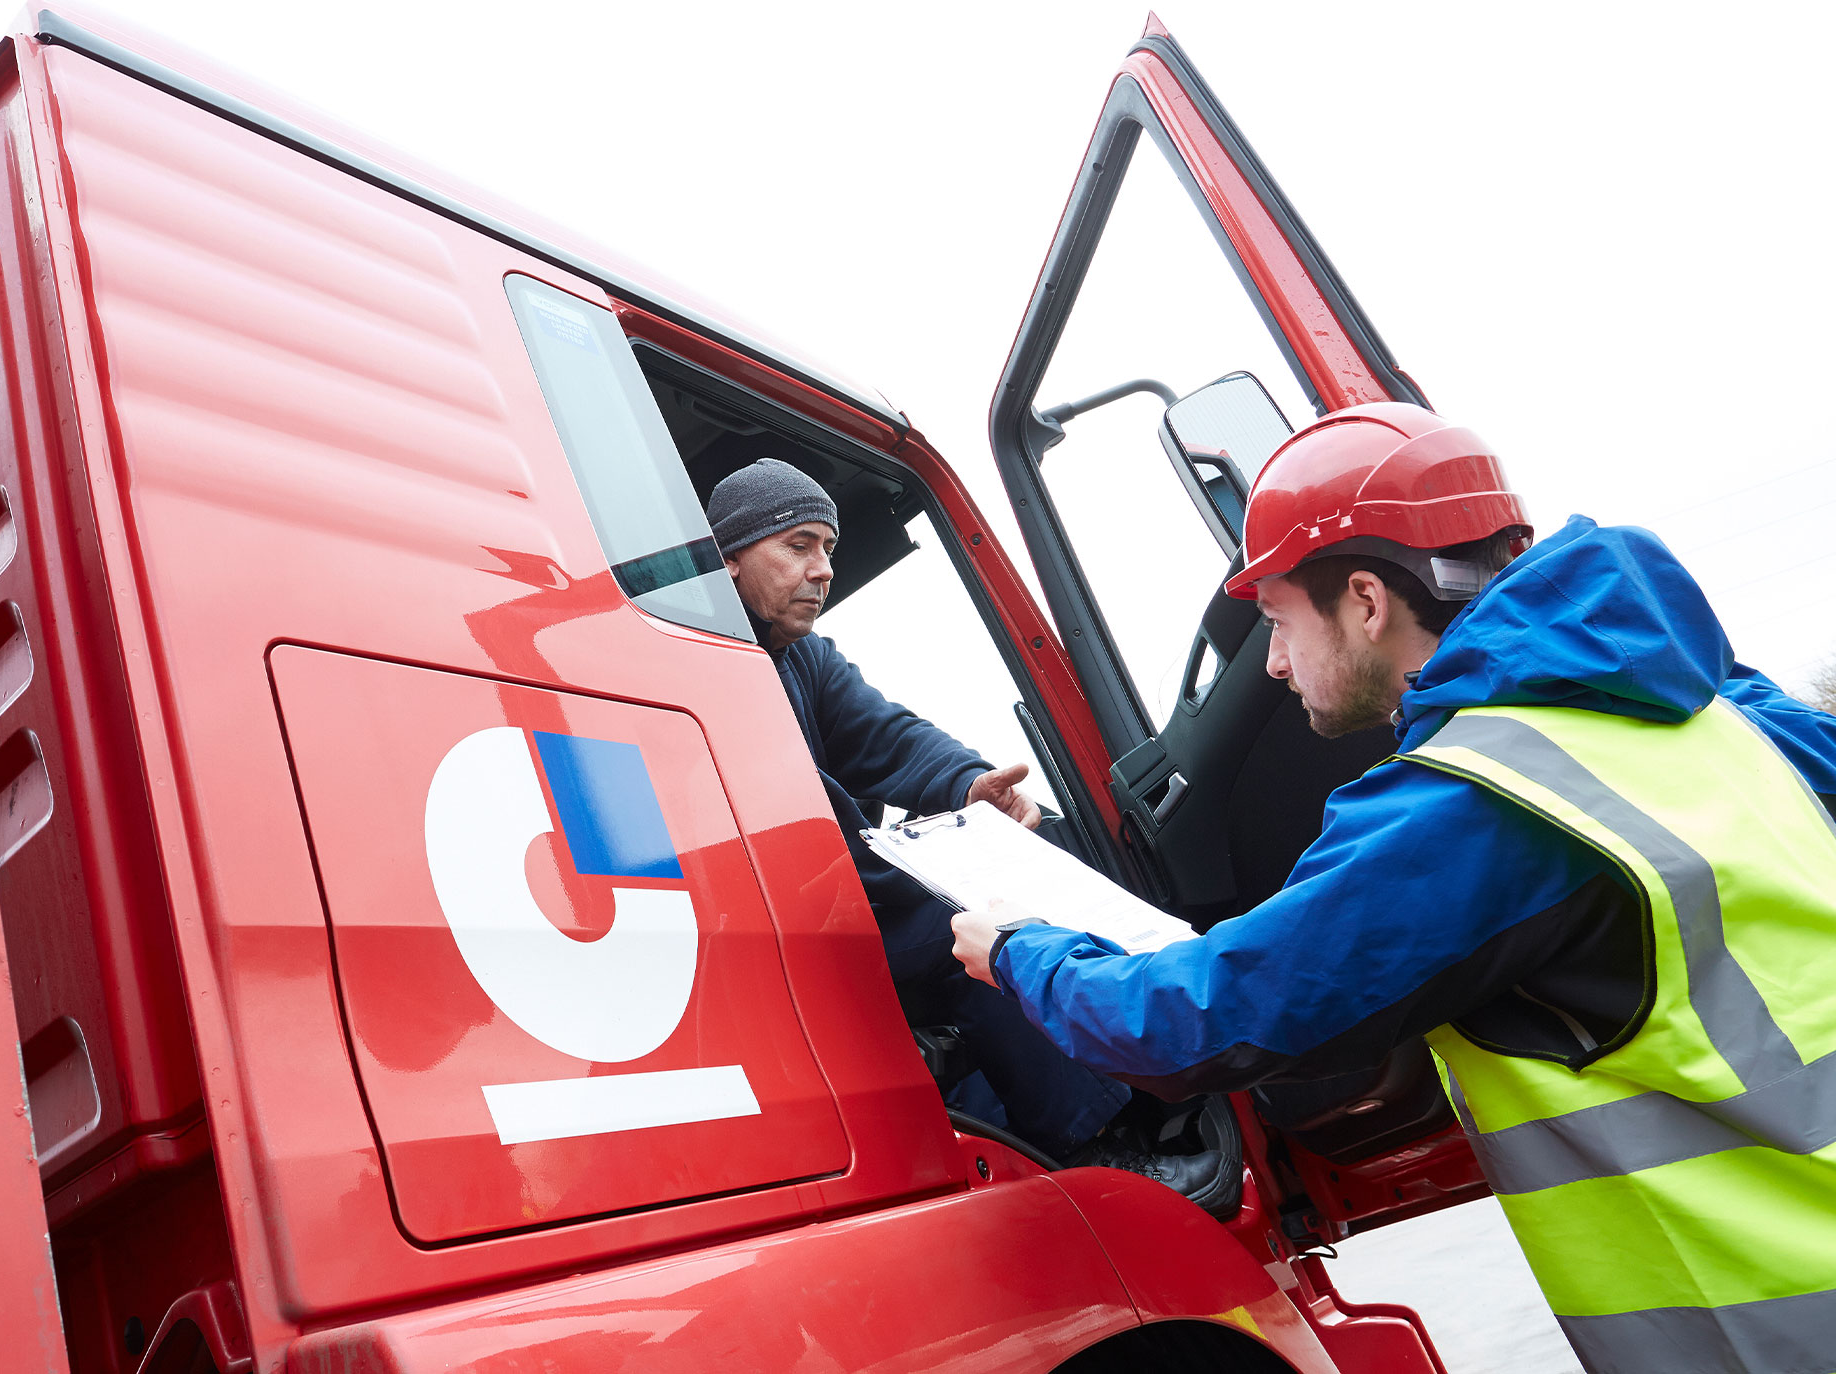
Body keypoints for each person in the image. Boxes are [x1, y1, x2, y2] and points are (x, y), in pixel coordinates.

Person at [950, 402, 1836, 1374]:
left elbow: (1193, 1020)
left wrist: (1018, 949)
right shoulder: (1735, 720)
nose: (1275, 663)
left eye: (1278, 620)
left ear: (1367, 601)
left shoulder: (1479, 806)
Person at [708, 458, 1225, 1192]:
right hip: (784, 918)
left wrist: (970, 786)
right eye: (798, 546)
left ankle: (1157, 1068)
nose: (823, 569)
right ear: (729, 558)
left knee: (1040, 855)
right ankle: (1099, 1149)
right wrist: (946, 869)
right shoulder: (704, 663)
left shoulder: (805, 660)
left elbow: (889, 737)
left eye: (829, 548)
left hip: (833, 903)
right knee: (965, 923)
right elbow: (805, 818)